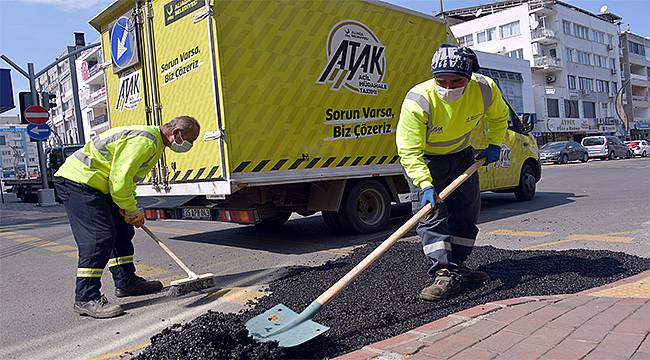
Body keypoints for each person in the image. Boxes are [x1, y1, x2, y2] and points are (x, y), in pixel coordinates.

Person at [54, 116, 201, 318]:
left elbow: (128, 181)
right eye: (190, 140)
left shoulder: (155, 143)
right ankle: (86, 297)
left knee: (122, 231)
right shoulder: (145, 142)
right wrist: (132, 210)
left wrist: (130, 208)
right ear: (176, 134)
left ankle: (126, 282)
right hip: (79, 182)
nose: (189, 146)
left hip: (100, 185)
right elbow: (120, 181)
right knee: (99, 237)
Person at [396, 44, 508, 301]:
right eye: (441, 81)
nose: (447, 88)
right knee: (432, 214)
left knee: (467, 211)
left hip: (461, 156)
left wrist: (494, 144)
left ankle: (458, 265)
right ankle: (443, 271)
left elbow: (499, 118)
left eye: (456, 81)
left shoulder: (484, 89)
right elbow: (409, 150)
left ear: (469, 77)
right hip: (426, 160)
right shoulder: (419, 100)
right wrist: (425, 185)